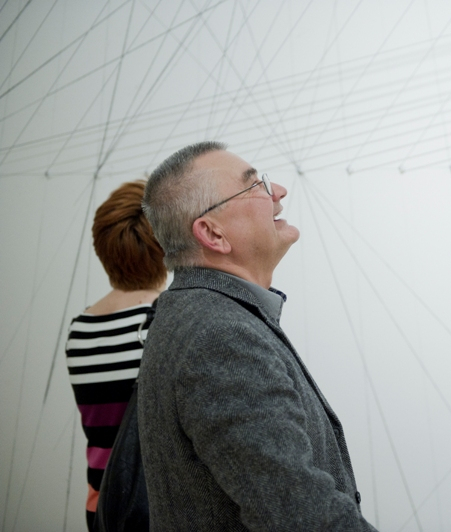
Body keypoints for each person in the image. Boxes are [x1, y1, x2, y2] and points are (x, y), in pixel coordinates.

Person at [138, 141, 377, 531]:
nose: (278, 191)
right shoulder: (220, 338)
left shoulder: (196, 314)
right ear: (212, 233)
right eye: (255, 186)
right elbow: (301, 515)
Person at [65, 179, 167, 530]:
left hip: (102, 507)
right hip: (153, 508)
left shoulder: (79, 331)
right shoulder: (166, 322)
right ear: (166, 245)